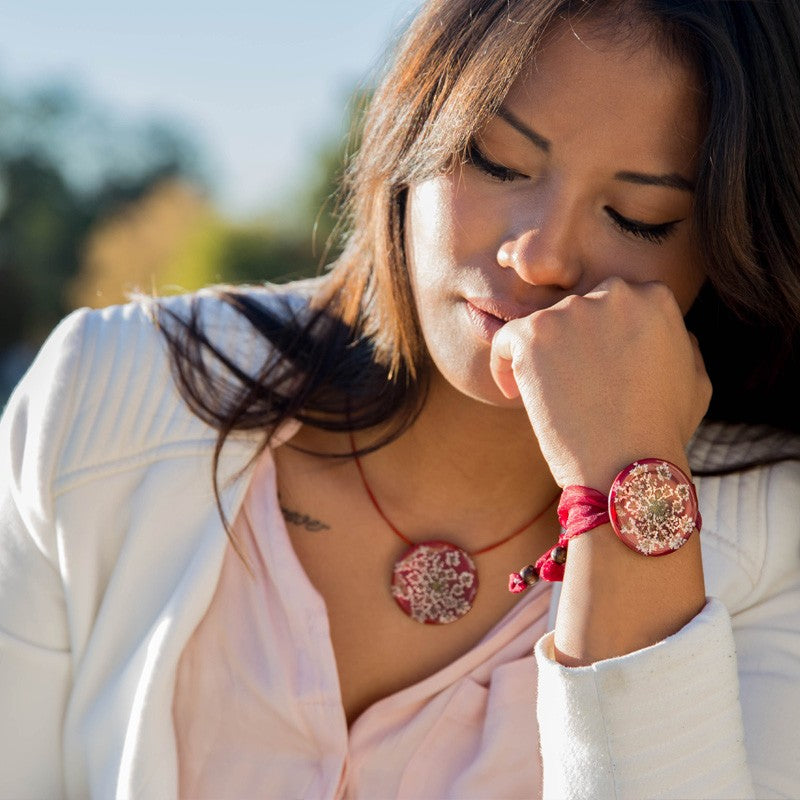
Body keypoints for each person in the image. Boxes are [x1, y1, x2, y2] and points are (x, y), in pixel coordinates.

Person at [2, 0, 799, 797]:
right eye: (498, 163)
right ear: (414, 127)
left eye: (639, 217)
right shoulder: (108, 397)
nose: (544, 257)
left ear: (725, 245)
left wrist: (632, 487)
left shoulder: (773, 535)